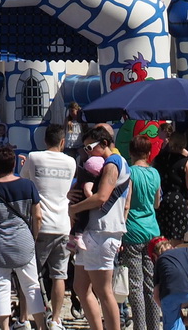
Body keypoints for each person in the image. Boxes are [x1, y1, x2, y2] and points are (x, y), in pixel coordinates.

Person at [0, 144, 49, 330]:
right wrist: (33, 236)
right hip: (23, 241)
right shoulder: (28, 186)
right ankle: (40, 325)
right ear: (14, 163)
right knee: (31, 286)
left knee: (1, 287)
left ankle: (5, 327)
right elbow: (38, 216)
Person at [69, 125, 130, 330]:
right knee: (80, 287)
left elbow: (102, 197)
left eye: (90, 148)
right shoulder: (111, 163)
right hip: (94, 231)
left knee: (104, 291)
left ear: (104, 144)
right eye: (85, 149)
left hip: (103, 231)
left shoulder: (113, 163)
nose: (87, 154)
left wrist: (74, 208)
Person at [25, 122, 77, 330]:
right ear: (62, 142)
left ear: (44, 140)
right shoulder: (71, 162)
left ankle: (29, 318)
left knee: (31, 276)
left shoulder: (33, 158)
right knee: (59, 275)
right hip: (62, 223)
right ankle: (56, 319)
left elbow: (25, 181)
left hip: (41, 224)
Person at [122, 136, 163, 330]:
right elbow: (157, 203)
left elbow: (127, 203)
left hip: (133, 230)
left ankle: (140, 326)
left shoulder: (130, 173)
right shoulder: (155, 173)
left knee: (135, 284)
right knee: (151, 283)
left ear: (130, 153)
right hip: (152, 231)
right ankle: (155, 325)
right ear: (148, 153)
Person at [150, 231, 188, 330]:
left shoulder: (159, 262)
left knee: (173, 323)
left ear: (154, 256)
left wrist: (167, 308)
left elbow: (156, 295)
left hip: (169, 296)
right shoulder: (184, 251)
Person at [153, 132, 188, 241]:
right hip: (179, 202)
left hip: (161, 200)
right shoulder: (186, 162)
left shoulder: (159, 159)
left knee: (163, 238)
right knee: (178, 239)